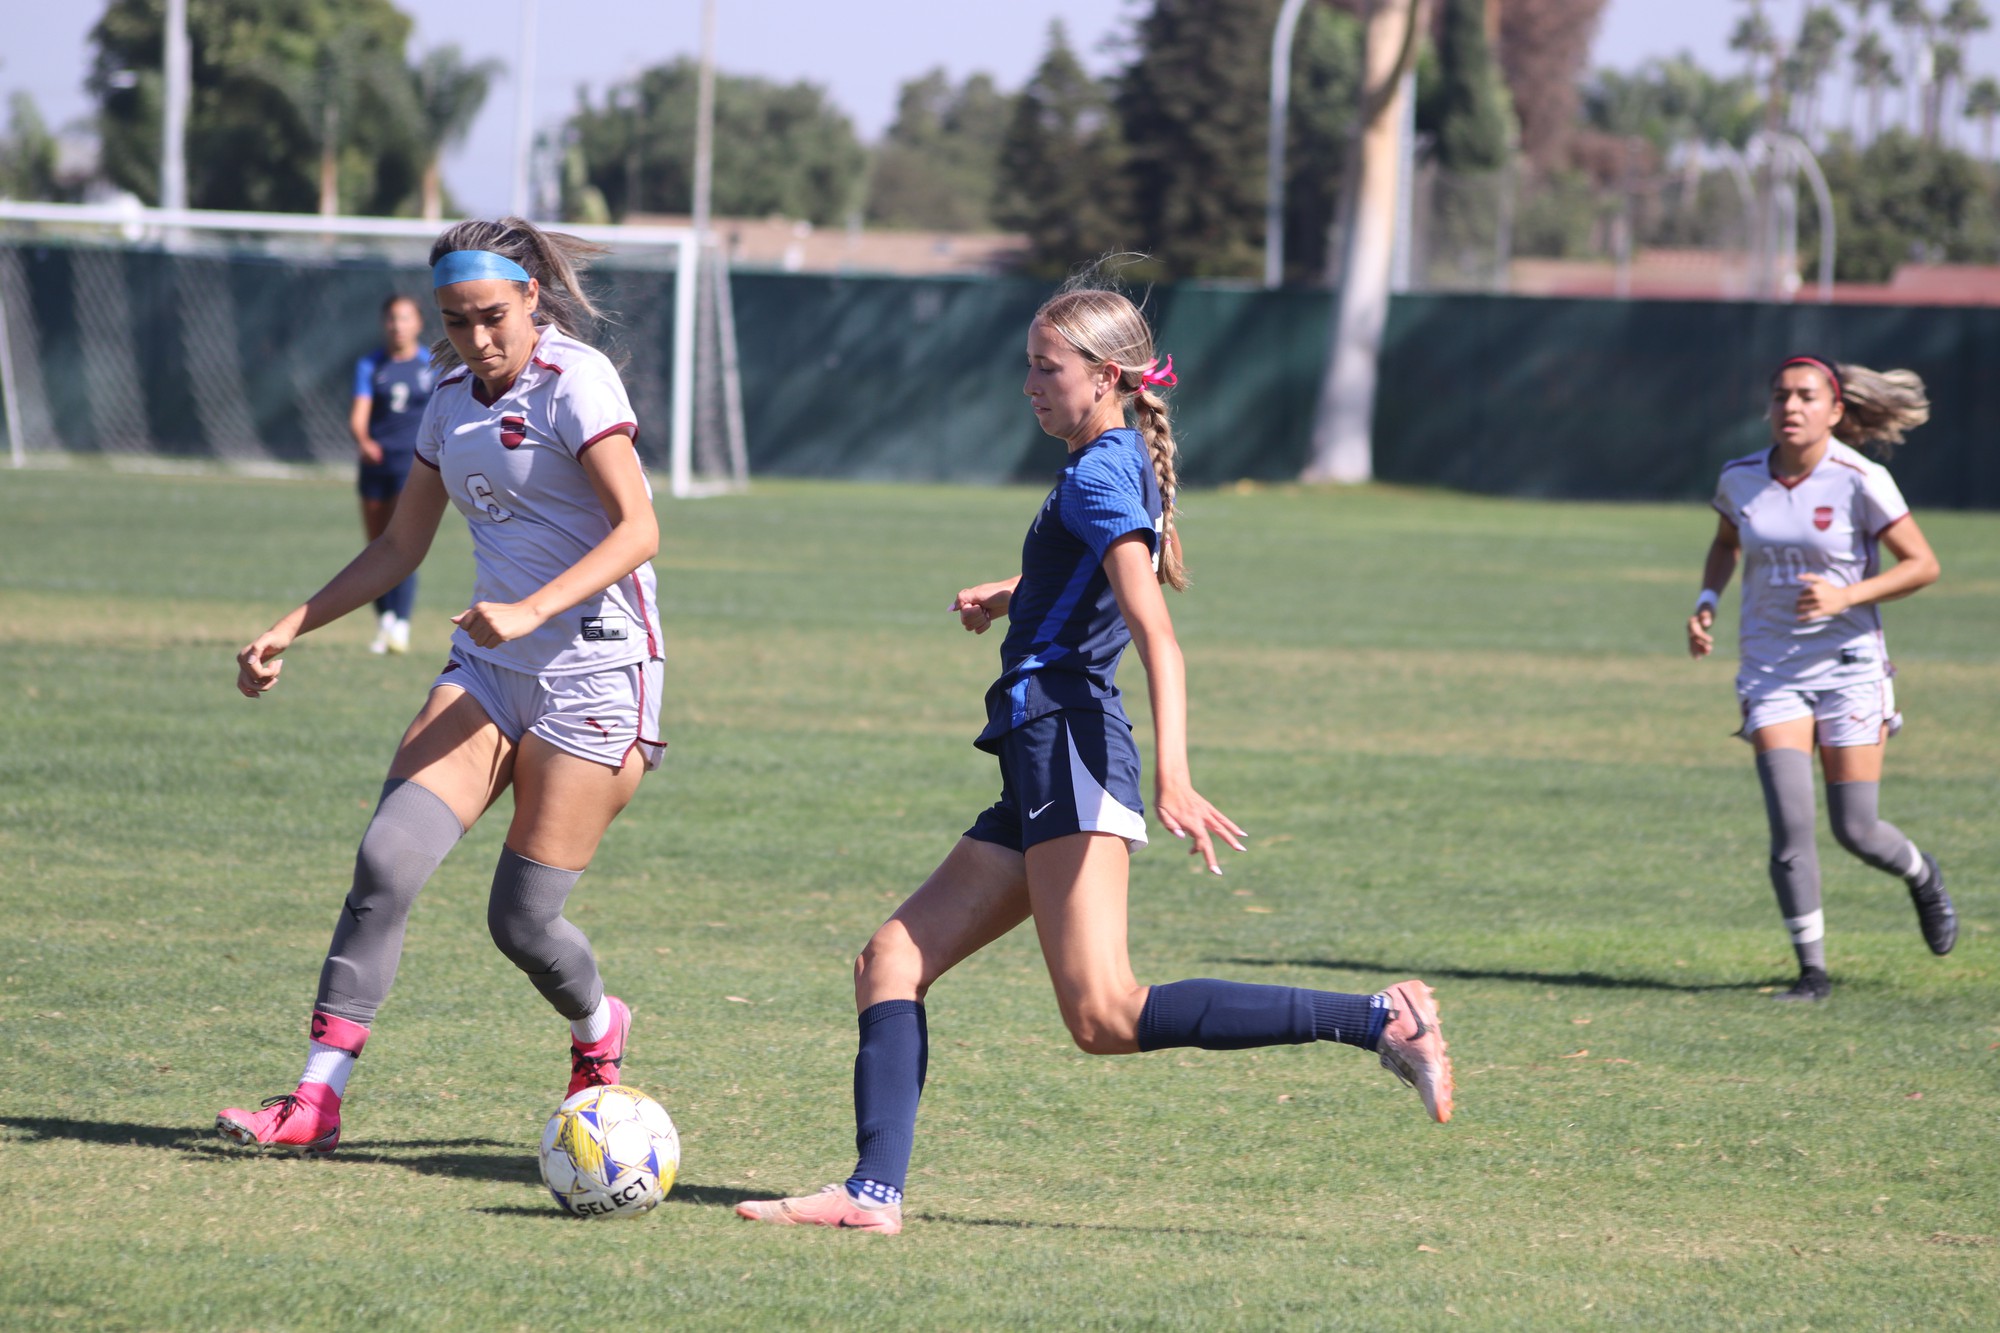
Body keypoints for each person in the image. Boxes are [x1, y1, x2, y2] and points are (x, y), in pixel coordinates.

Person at [736, 282, 1452, 1237]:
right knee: (890, 958)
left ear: (1107, 376)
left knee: (1105, 1013)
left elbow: (1157, 632)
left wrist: (1176, 771)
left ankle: (1380, 1018)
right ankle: (872, 1193)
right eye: (1029, 362)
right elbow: (1113, 569)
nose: (1028, 383)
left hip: (1069, 741)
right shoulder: (1112, 461)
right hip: (1041, 751)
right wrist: (1015, 590)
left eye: (1048, 366)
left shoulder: (1097, 474)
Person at [217, 217, 666, 1155]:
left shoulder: (577, 381)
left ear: (532, 299)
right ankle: (314, 1101)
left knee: (522, 920)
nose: (479, 339)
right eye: (458, 322)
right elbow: (398, 546)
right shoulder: (449, 397)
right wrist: (288, 626)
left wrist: (530, 604)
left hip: (596, 675)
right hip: (490, 673)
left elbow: (638, 531)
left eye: (494, 317)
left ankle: (597, 1027)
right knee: (385, 862)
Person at [1688, 355, 1955, 1003]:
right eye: (1780, 395)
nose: (1791, 406)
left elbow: (1923, 564)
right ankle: (1812, 973)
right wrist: (1707, 600)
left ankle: (1922, 874)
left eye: (1806, 396)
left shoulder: (1862, 479)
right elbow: (1727, 542)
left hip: (1849, 671)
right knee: (1789, 826)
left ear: (1835, 410)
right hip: (1771, 671)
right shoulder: (1741, 477)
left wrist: (1846, 596)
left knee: (1855, 828)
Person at [349, 294, 435, 655]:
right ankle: (385, 621)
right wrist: (364, 440)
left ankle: (400, 622)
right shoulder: (371, 364)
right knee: (376, 546)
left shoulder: (431, 363)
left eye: (404, 318)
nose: (397, 325)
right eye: (392, 319)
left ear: (418, 323)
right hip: (375, 466)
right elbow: (359, 415)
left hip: (411, 465)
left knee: (401, 543)